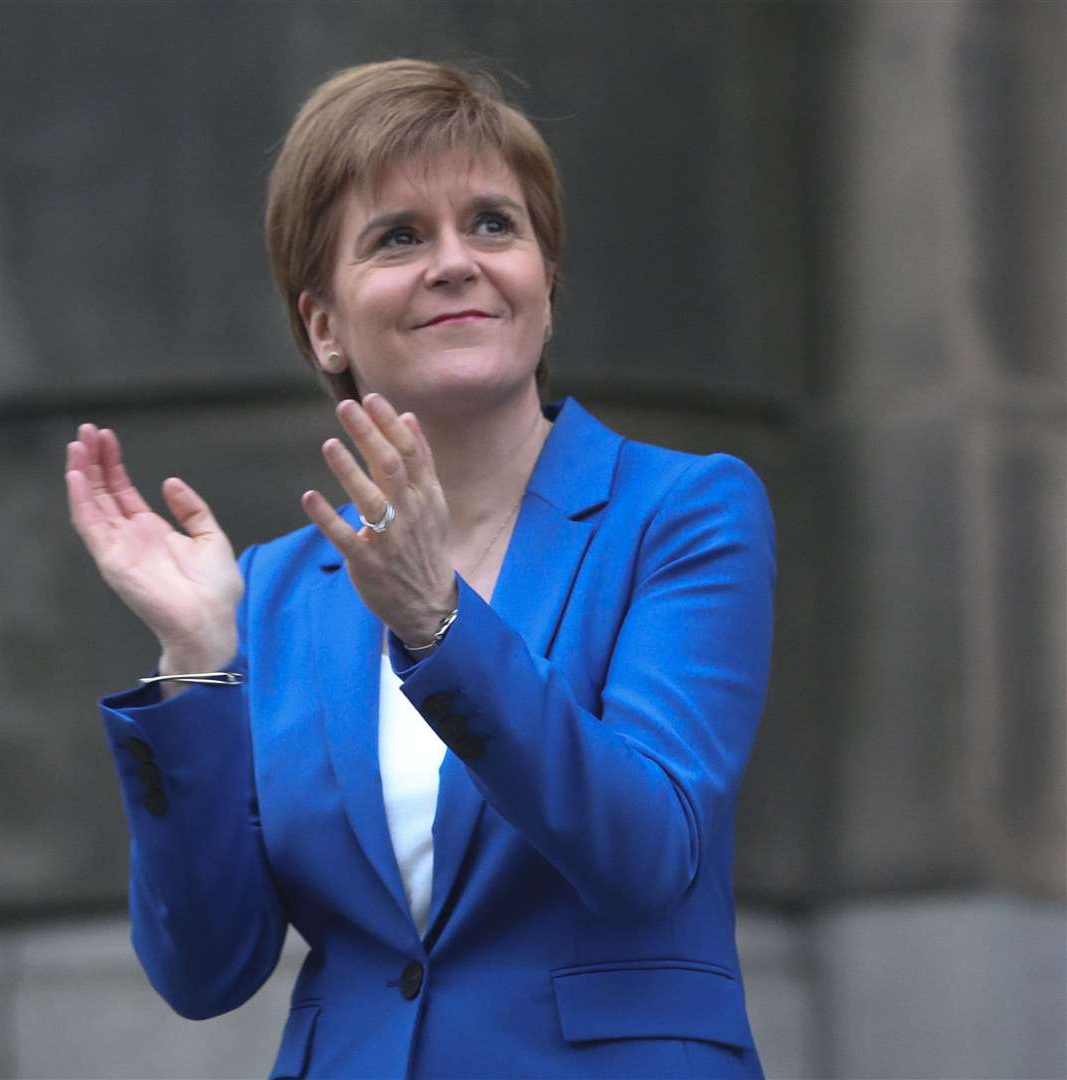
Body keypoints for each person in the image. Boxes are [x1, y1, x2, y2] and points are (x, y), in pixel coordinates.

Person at [65, 59, 775, 1080]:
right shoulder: (272, 590)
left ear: (543, 282)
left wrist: (441, 626)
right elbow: (204, 969)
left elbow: (650, 854)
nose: (456, 262)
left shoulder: (680, 513)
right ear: (324, 326)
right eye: (400, 236)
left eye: (493, 225)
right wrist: (196, 664)